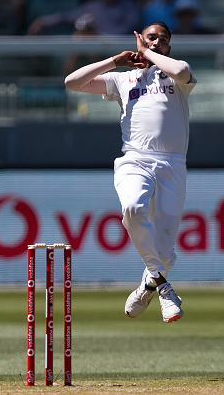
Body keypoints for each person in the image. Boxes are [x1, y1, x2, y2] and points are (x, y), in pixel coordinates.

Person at [65, 21, 196, 322]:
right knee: (133, 208)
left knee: (164, 245)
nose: (157, 42)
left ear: (168, 47)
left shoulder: (177, 74)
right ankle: (163, 287)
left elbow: (182, 72)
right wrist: (114, 61)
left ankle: (149, 282)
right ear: (139, 39)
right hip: (135, 159)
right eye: (151, 38)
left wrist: (148, 54)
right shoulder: (123, 79)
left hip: (173, 164)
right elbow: (72, 82)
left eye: (163, 40)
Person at [26, 0, 139, 36]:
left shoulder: (129, 8)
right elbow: (66, 17)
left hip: (117, 54)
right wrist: (43, 21)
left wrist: (97, 34)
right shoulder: (92, 6)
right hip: (91, 51)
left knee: (86, 37)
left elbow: (126, 33)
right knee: (79, 37)